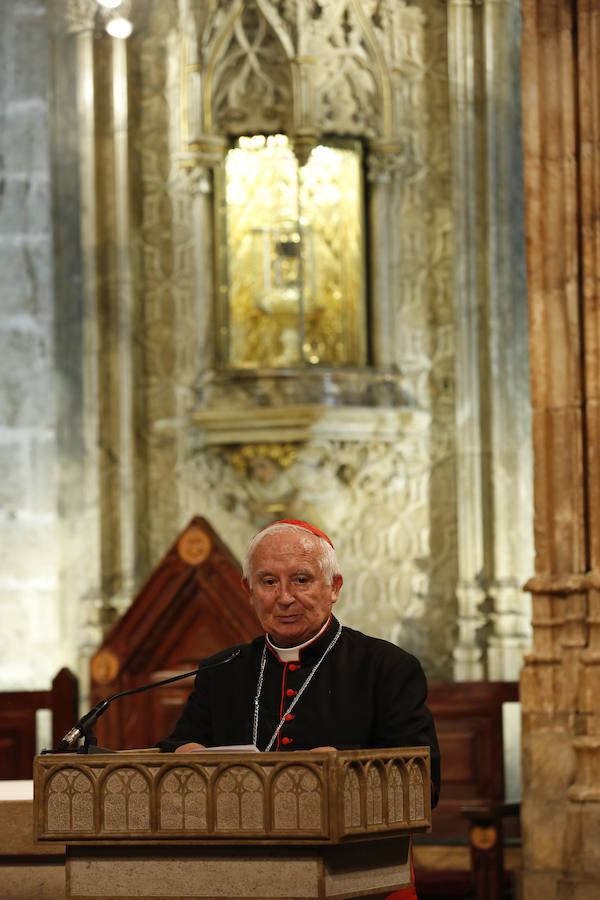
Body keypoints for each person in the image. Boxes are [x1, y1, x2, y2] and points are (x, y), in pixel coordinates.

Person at [158, 519, 440, 899]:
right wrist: (184, 752)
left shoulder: (386, 667)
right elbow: (181, 741)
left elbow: (423, 782)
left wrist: (346, 767)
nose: (285, 597)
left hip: (356, 877)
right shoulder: (223, 669)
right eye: (269, 582)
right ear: (250, 590)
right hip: (241, 876)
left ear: (333, 587)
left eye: (301, 580)